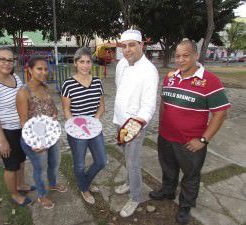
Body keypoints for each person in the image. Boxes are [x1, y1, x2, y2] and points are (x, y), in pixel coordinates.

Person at [149, 39, 231, 224]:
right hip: (166, 137)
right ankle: (167, 192)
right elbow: (164, 102)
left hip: (190, 143)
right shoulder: (170, 76)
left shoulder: (210, 80)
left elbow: (220, 114)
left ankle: (185, 206)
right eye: (177, 56)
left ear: (195, 55)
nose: (180, 60)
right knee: (168, 168)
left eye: (185, 55)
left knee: (191, 176)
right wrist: (162, 127)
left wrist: (203, 140)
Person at [0, 47, 33, 206]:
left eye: (10, 60)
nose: (7, 63)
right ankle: (15, 194)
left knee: (22, 159)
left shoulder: (15, 77)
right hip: (2, 131)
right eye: (3, 59)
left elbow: (23, 99)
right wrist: (2, 141)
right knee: (11, 165)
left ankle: (21, 184)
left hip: (19, 128)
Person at [113, 29, 159, 217]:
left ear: (142, 46)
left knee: (132, 162)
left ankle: (135, 197)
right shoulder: (122, 64)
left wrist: (136, 126)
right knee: (125, 156)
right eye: (124, 46)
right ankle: (130, 183)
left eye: (132, 45)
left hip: (135, 125)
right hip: (118, 120)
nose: (127, 49)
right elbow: (119, 88)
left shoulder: (149, 70)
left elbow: (149, 105)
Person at [16, 55, 67, 209]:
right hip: (35, 140)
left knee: (55, 162)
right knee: (40, 168)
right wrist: (35, 143)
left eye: (45, 69)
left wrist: (55, 115)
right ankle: (42, 195)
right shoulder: (23, 92)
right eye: (39, 69)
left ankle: (52, 184)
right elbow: (24, 122)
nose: (44, 72)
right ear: (29, 70)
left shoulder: (45, 87)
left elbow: (51, 108)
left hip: (51, 136)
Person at [61, 47, 106, 205]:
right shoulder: (68, 84)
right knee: (79, 164)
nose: (85, 65)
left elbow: (101, 107)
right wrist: (75, 127)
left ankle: (85, 182)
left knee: (101, 161)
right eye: (82, 62)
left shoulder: (97, 82)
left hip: (94, 129)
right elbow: (66, 109)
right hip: (76, 131)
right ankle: (84, 188)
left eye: (88, 62)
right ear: (75, 63)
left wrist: (96, 119)